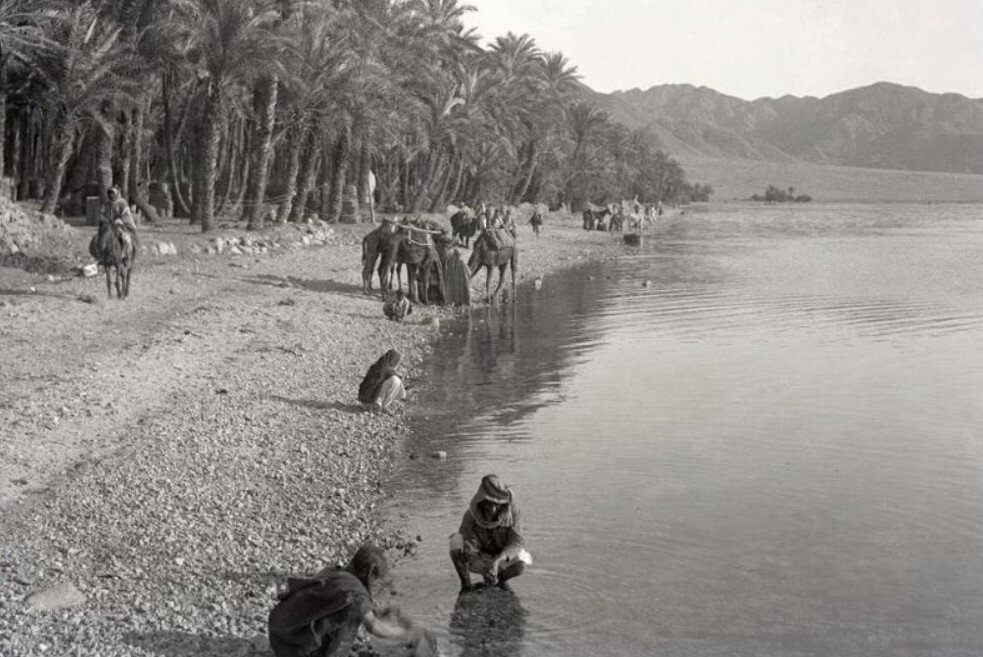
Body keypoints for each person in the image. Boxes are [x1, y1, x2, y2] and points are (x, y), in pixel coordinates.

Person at [268, 544, 436, 657]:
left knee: (354, 611)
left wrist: (378, 613)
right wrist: (408, 634)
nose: (377, 586)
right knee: (352, 616)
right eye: (377, 580)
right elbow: (374, 627)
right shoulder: (355, 592)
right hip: (293, 650)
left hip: (280, 635)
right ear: (369, 573)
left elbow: (330, 606)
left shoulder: (334, 572)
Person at [449, 474, 532, 593]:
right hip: (480, 557)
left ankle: (500, 580)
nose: (492, 509)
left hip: (502, 559)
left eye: (496, 504)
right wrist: (470, 547)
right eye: (488, 503)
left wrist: (498, 561)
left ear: (502, 504)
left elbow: (517, 541)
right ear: (481, 501)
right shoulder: (470, 515)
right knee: (455, 541)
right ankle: (466, 585)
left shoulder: (513, 512)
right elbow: (467, 540)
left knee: (521, 564)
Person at [358, 349, 406, 414]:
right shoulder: (387, 370)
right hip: (371, 403)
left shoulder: (378, 366)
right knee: (395, 380)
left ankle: (378, 404)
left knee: (391, 380)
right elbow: (402, 394)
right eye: (397, 362)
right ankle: (383, 406)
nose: (397, 364)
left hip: (364, 401)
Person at [443, 239, 472, 307]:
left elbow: (447, 264)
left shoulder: (450, 257)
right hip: (460, 278)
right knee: (460, 290)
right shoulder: (461, 261)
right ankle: (460, 303)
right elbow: (469, 272)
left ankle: (453, 302)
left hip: (452, 277)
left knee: (453, 289)